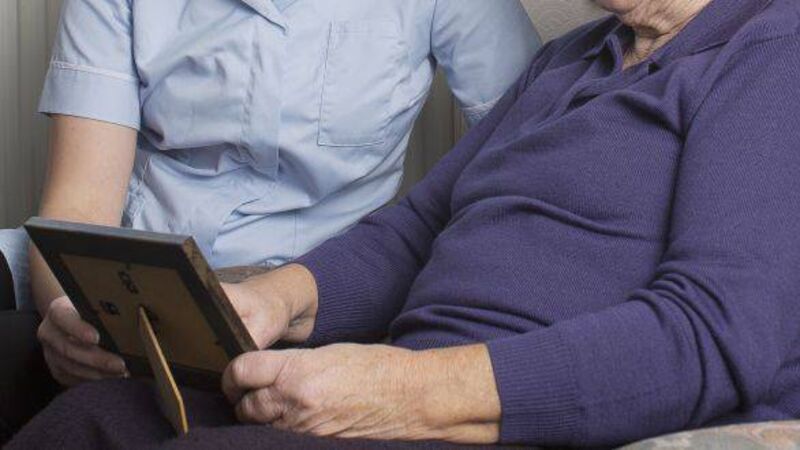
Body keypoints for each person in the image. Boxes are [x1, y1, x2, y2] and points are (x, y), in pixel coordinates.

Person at [9, 0, 800, 447]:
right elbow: (415, 228)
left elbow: (712, 330)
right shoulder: (570, 59)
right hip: (406, 378)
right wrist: (272, 302)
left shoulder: (772, 48)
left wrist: (407, 390)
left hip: (493, 409)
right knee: (91, 421)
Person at [0, 0, 540, 389]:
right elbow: (77, 209)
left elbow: (539, 151)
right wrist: (72, 318)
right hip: (133, 279)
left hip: (298, 298)